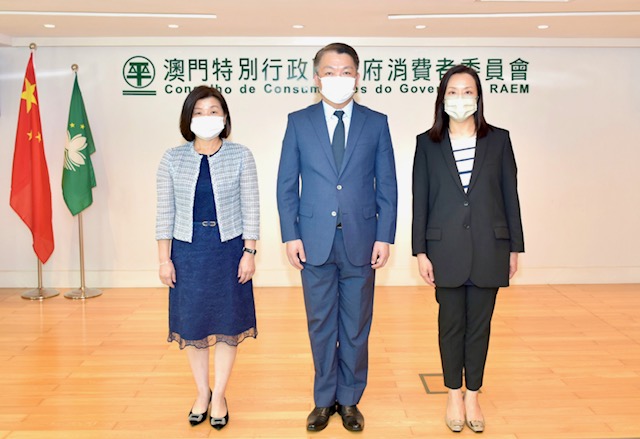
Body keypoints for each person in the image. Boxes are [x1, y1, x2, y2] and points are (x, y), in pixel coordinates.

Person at [277, 42, 398, 432]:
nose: (338, 78)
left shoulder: (375, 123)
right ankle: (323, 399)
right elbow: (286, 184)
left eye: (346, 72)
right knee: (321, 324)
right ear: (317, 78)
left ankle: (349, 399)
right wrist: (291, 234)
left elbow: (387, 185)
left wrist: (385, 236)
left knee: (356, 325)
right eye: (330, 72)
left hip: (362, 240)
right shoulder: (299, 122)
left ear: (357, 77)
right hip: (313, 240)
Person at [412, 65, 524, 433]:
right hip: (443, 249)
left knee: (479, 327)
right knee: (450, 326)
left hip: (491, 247)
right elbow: (420, 200)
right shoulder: (426, 144)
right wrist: (420, 251)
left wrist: (515, 247)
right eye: (453, 92)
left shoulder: (499, 140)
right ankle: (452, 394)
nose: (460, 98)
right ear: (442, 98)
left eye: (468, 91)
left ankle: (473, 394)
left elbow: (510, 195)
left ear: (478, 97)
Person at [156, 85, 259, 430]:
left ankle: (220, 396)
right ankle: (202, 392)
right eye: (199, 112)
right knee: (194, 325)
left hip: (228, 250)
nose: (206, 117)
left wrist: (249, 252)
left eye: (213, 111)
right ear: (188, 118)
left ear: (225, 117)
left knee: (229, 325)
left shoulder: (241, 155)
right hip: (187, 251)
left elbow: (251, 208)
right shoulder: (172, 158)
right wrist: (164, 259)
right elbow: (164, 213)